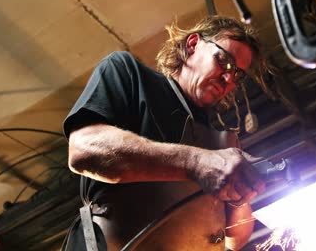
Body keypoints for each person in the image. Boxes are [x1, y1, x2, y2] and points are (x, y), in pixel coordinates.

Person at [61, 15, 266, 251]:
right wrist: (196, 162)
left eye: (237, 74)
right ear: (193, 44)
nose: (228, 77)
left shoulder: (223, 144)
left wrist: (242, 194)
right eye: (224, 61)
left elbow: (236, 239)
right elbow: (83, 150)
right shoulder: (129, 73)